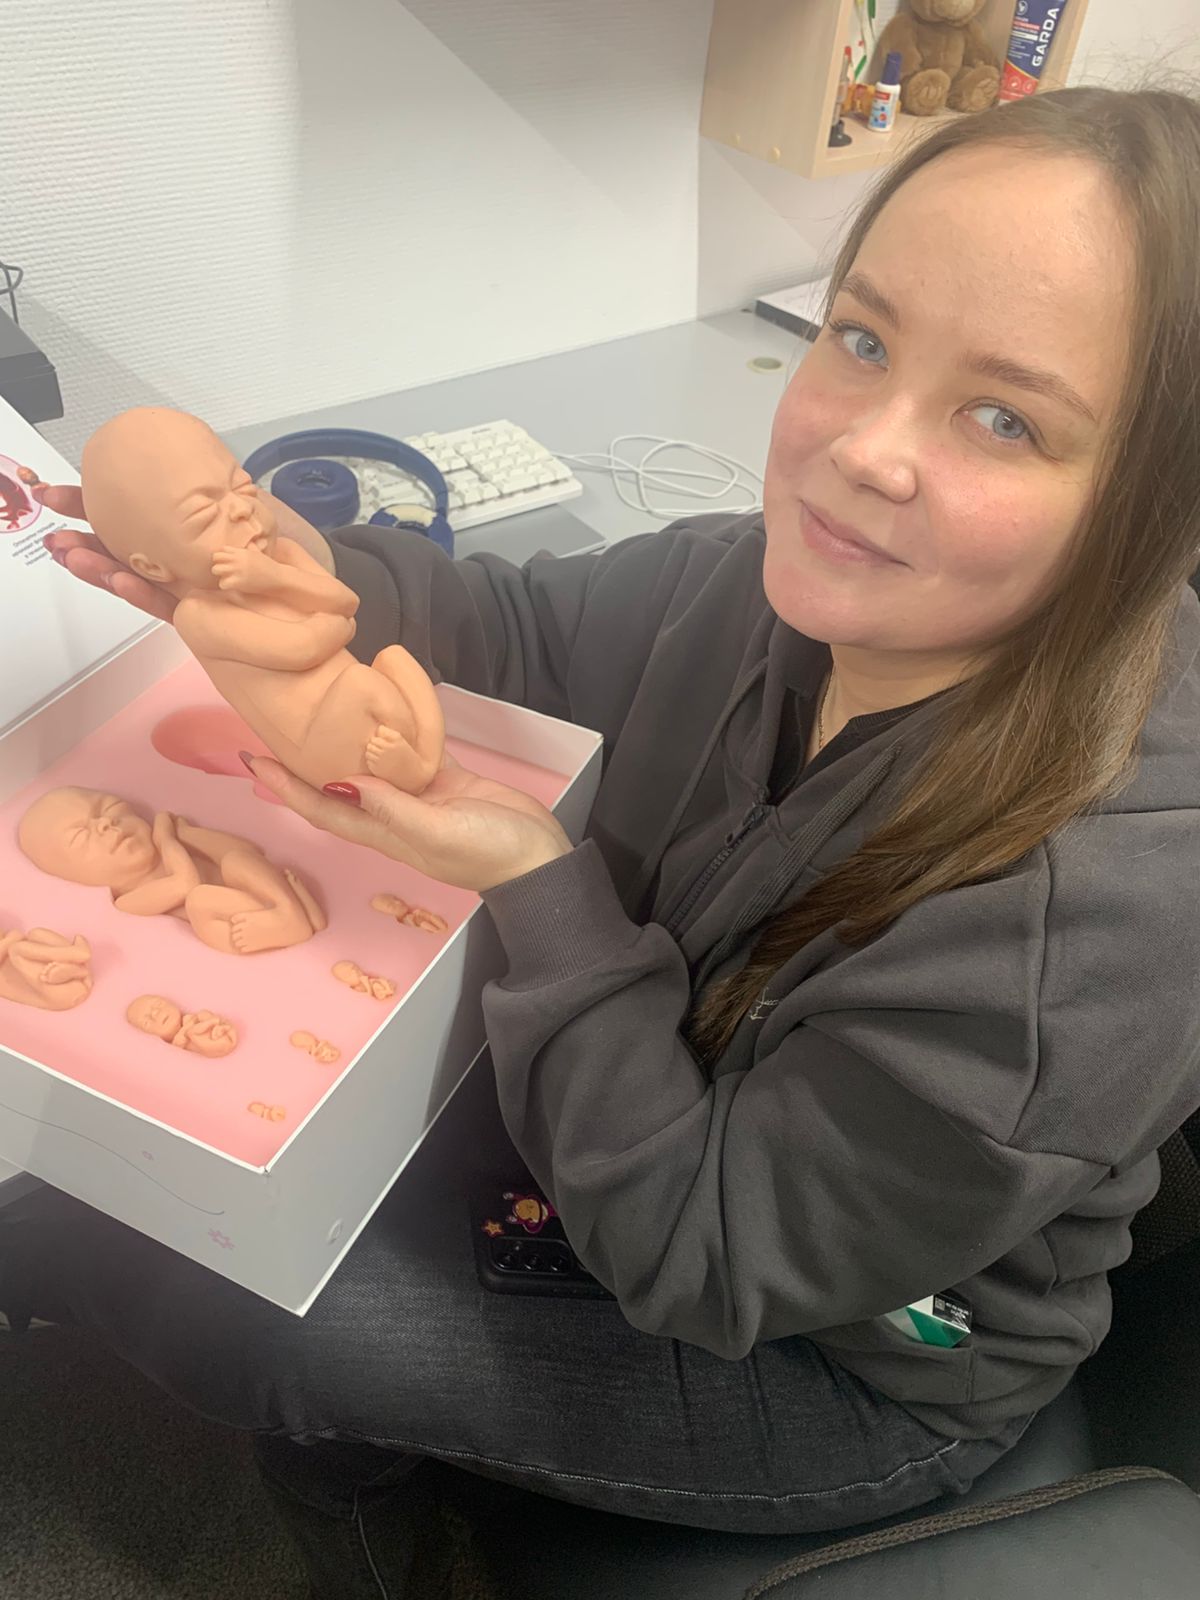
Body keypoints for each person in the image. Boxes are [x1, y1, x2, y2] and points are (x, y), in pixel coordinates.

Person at [11, 85, 1200, 1598]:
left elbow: (707, 1249)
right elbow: (524, 628)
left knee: (250, 1313)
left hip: (846, 1362)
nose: (863, 450)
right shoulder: (772, 584)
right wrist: (309, 571)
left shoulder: (1086, 929)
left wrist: (538, 883)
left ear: (1152, 505)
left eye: (1005, 418)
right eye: (862, 339)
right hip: (656, 1106)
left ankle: (353, 1502)